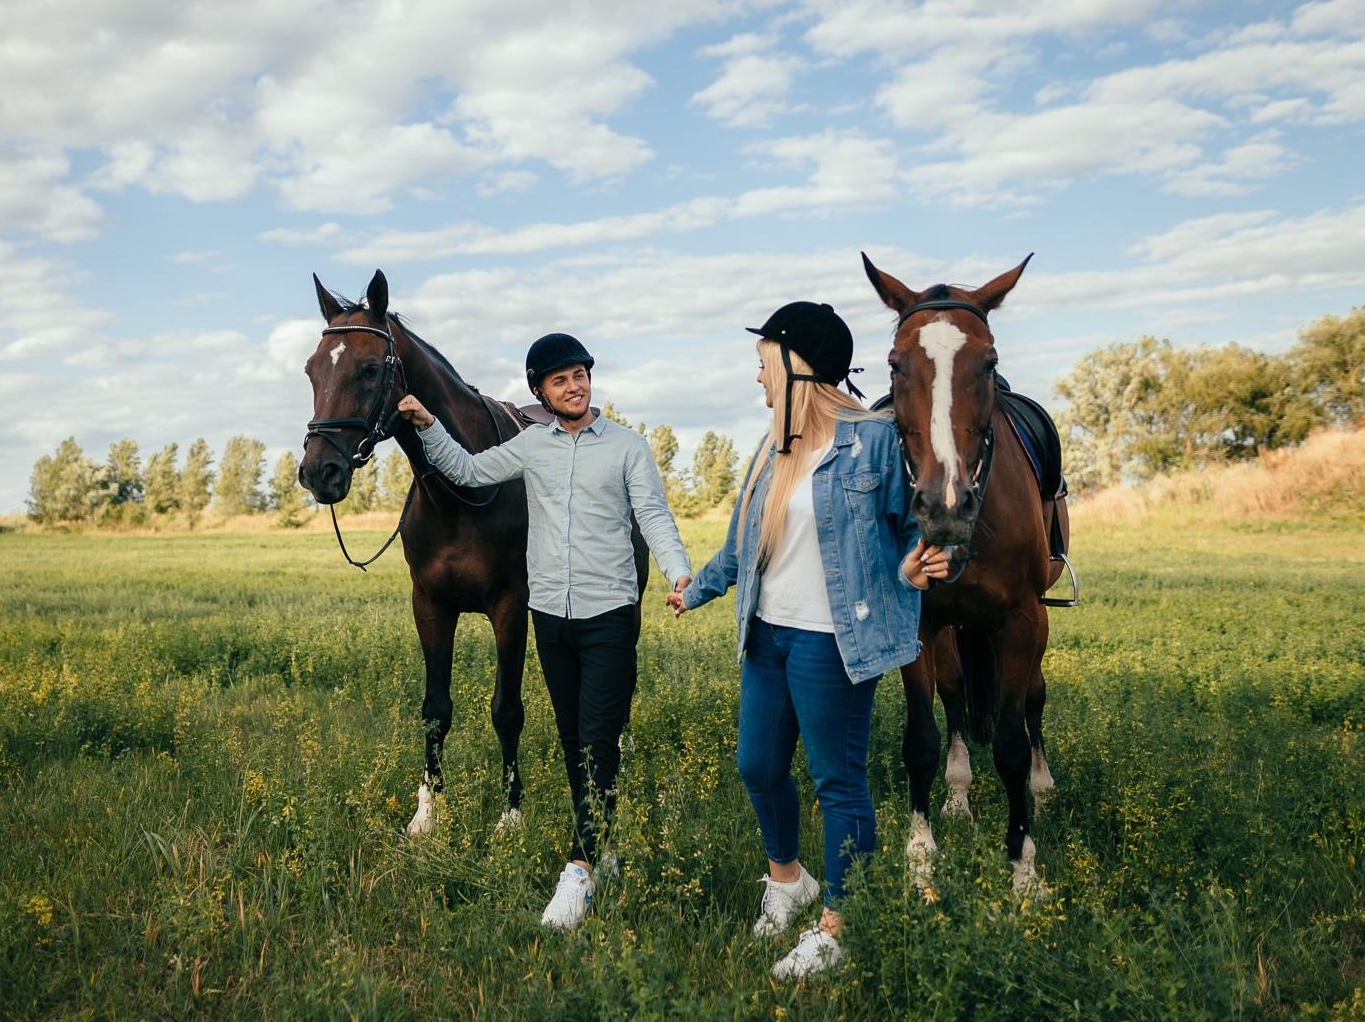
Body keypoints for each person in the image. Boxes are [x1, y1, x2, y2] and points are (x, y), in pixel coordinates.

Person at [666, 302, 952, 979]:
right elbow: (744, 542)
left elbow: (927, 530)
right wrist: (697, 589)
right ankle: (789, 880)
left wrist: (917, 562)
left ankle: (838, 928)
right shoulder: (773, 448)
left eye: (765, 367)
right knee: (756, 767)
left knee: (838, 783)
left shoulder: (877, 439)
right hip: (768, 634)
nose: (758, 382)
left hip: (834, 642)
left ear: (800, 368)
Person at [394, 333, 694, 931]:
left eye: (580, 374)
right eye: (560, 380)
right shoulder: (530, 445)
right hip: (552, 615)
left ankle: (580, 868)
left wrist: (679, 570)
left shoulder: (628, 447)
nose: (575, 385)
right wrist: (428, 423)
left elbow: (654, 514)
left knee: (598, 734)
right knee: (570, 739)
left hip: (610, 610)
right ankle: (605, 850)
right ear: (541, 392)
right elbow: (468, 471)